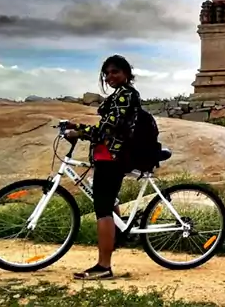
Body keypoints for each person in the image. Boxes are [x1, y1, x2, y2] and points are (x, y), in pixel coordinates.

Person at [64, 54, 141, 280]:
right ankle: (117, 236)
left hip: (113, 157)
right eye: (106, 73)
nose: (110, 77)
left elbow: (109, 127)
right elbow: (105, 125)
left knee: (103, 209)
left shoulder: (126, 95)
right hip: (106, 156)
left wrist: (79, 130)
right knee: (109, 202)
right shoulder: (119, 94)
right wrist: (76, 126)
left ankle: (104, 266)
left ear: (126, 73)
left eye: (115, 72)